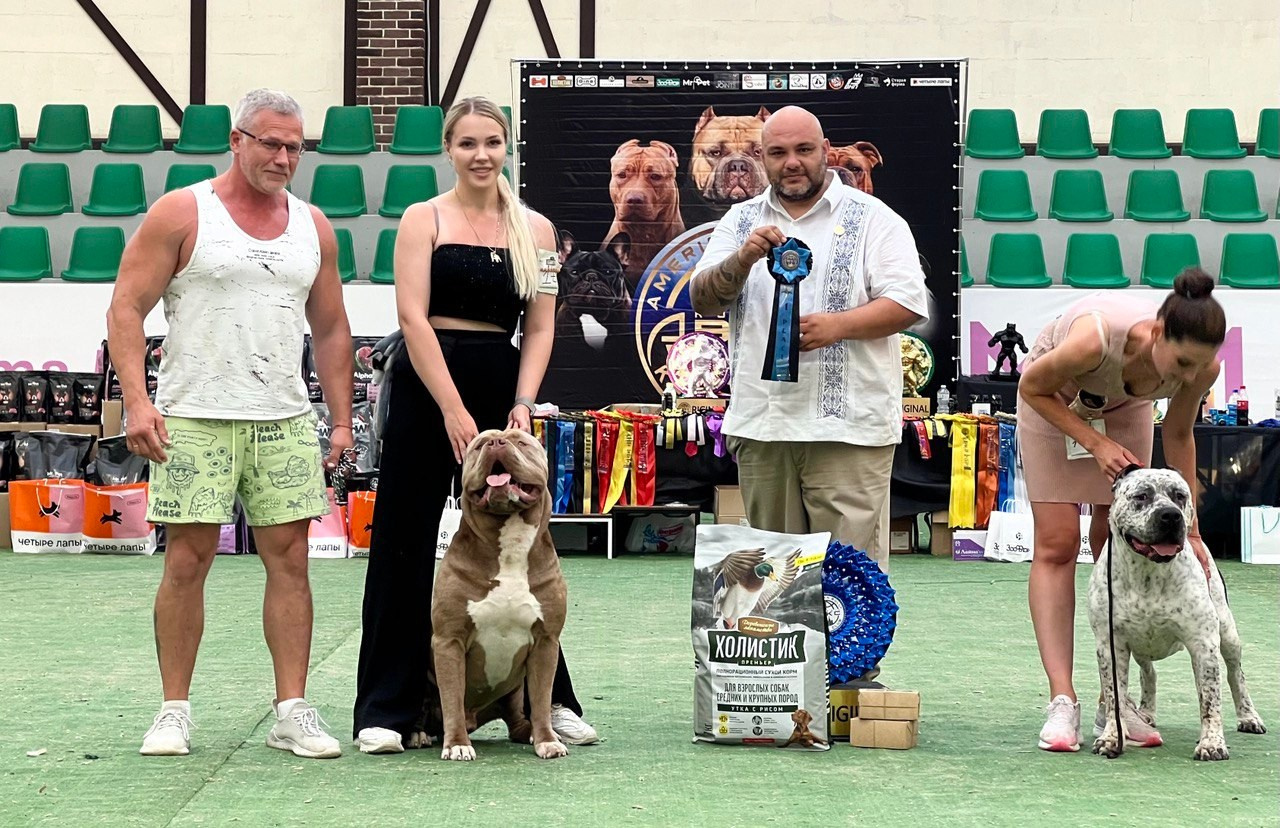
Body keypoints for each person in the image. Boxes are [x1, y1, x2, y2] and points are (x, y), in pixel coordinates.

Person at [106, 89, 354, 758]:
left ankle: (292, 710)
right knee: (187, 560)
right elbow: (126, 308)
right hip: (192, 416)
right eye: (270, 143)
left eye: (294, 147)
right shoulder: (183, 212)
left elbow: (332, 328)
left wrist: (339, 421)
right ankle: (173, 710)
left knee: (293, 562)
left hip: (283, 419)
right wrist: (137, 400)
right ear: (236, 141)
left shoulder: (314, 226)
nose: (282, 157)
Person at [352, 96, 597, 754]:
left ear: (507, 147)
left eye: (492, 142)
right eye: (467, 144)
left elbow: (541, 325)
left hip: (500, 379)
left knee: (524, 540)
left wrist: (521, 403)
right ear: (449, 150)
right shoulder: (421, 219)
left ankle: (552, 701)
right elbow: (411, 318)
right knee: (402, 541)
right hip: (427, 381)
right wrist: (453, 411)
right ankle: (387, 708)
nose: (481, 154)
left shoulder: (538, 231)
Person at [690, 106, 929, 571]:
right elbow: (703, 299)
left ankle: (844, 649)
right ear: (763, 158)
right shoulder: (739, 221)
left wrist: (837, 326)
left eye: (803, 150)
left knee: (851, 581)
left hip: (849, 430)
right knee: (773, 580)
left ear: (824, 151)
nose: (792, 162)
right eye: (778, 153)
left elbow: (908, 303)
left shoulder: (876, 219)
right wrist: (739, 261)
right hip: (764, 426)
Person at [1017, 268, 1223, 753]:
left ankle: (1117, 703)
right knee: (1059, 541)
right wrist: (1093, 442)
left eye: (1200, 367)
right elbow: (1031, 387)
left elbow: (1177, 435)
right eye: (1182, 362)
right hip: (1055, 403)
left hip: (1126, 411)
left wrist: (1192, 530)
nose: (1189, 377)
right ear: (1156, 333)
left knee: (1123, 537)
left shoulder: (1200, 368)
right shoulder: (1093, 339)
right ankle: (1062, 699)